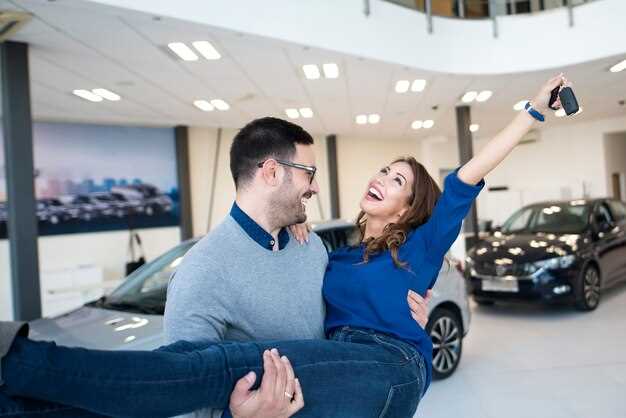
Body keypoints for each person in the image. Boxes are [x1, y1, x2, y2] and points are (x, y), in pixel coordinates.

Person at [0, 73, 570, 418]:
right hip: (335, 370)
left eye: (398, 181)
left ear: (410, 208)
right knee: (209, 371)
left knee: (225, 364)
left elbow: (466, 178)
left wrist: (534, 109)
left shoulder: (419, 249)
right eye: (384, 169)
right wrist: (292, 226)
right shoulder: (326, 252)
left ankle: (20, 361)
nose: (381, 179)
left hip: (391, 367)